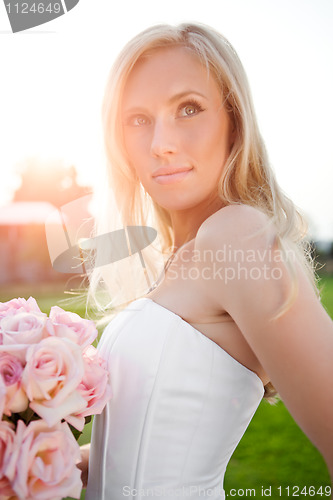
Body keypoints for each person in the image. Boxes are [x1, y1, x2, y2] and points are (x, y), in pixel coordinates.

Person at [80, 23, 333, 499]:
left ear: (234, 122)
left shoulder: (235, 235)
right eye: (138, 119)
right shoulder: (174, 258)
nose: (161, 142)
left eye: (188, 108)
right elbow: (145, 456)